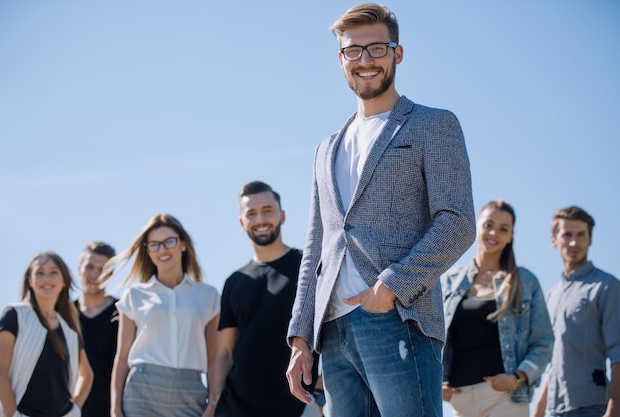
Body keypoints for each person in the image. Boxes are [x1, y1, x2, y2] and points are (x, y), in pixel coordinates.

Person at [285, 4, 476, 417]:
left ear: (398, 54)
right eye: (353, 51)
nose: (365, 60)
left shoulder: (432, 124)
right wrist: (301, 338)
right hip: (332, 333)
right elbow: (315, 248)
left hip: (397, 318)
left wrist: (390, 287)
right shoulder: (325, 149)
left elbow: (457, 223)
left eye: (377, 48)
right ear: (341, 60)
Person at [210, 181, 319, 417]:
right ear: (242, 222)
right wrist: (214, 401)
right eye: (251, 213)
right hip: (236, 408)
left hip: (298, 405)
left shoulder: (307, 268)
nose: (260, 219)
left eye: (268, 210)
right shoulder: (234, 281)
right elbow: (225, 353)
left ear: (282, 216)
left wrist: (319, 396)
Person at [441, 200, 554, 417]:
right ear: (477, 226)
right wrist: (439, 382)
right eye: (488, 224)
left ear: (511, 236)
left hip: (504, 399)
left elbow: (544, 342)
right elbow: (433, 337)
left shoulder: (525, 282)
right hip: (460, 399)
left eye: (504, 229)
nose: (494, 232)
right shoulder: (451, 281)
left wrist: (518, 377)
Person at [108, 214, 220, 417]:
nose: (162, 249)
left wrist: (212, 403)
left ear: (183, 244)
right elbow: (122, 357)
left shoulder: (207, 296)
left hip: (191, 392)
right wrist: (115, 408)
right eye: (154, 244)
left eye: (169, 241)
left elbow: (214, 357)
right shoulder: (134, 295)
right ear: (148, 251)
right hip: (141, 390)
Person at [534, 206, 620, 417]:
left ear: (590, 239)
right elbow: (554, 362)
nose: (574, 242)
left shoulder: (607, 286)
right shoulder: (552, 294)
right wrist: (538, 411)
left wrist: (615, 409)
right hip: (554, 409)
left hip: (592, 408)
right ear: (554, 240)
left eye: (581, 235)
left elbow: (618, 352)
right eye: (567, 235)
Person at [0, 252, 94, 417]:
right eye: (39, 273)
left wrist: (74, 409)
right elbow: (0, 371)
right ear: (30, 281)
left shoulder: (69, 329)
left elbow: (86, 374)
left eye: (54, 272)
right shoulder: (15, 315)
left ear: (64, 281)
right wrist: (13, 415)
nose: (46, 278)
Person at [74, 241, 118, 417]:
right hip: (68, 409)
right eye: (90, 267)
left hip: (109, 409)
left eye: (102, 270)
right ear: (80, 269)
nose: (94, 274)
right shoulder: (63, 315)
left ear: (111, 275)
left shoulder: (123, 313)